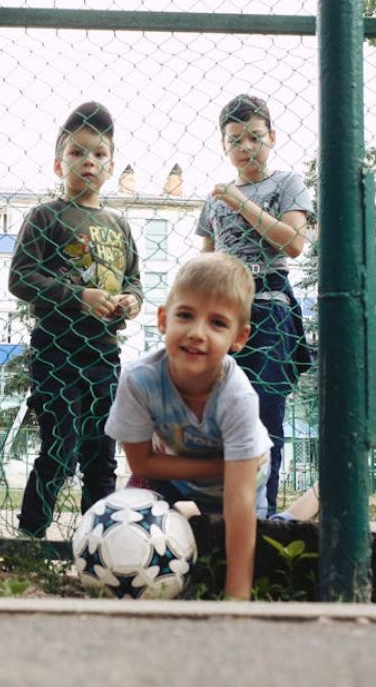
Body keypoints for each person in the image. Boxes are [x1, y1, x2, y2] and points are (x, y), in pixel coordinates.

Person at [9, 101, 144, 539]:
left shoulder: (119, 224)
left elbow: (135, 282)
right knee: (60, 447)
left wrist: (129, 301)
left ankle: (98, 539)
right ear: (58, 163)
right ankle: (31, 534)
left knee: (101, 453)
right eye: (78, 153)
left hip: (103, 353)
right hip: (56, 348)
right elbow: (20, 277)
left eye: (99, 154)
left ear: (111, 164)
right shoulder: (46, 216)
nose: (89, 162)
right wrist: (79, 296)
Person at [105, 252, 271, 600]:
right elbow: (142, 464)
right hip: (178, 478)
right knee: (134, 521)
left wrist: (237, 598)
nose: (197, 333)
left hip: (241, 480)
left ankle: (308, 503)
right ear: (163, 319)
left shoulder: (237, 397)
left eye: (217, 323)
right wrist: (215, 466)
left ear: (239, 338)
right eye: (185, 315)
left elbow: (239, 497)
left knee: (243, 547)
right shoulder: (140, 380)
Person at [196, 94, 314, 515]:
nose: (246, 148)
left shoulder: (285, 183)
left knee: (266, 413)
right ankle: (214, 510)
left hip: (267, 306)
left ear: (272, 137)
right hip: (221, 310)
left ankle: (261, 513)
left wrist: (240, 202)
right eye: (235, 140)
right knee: (212, 410)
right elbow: (206, 259)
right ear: (224, 146)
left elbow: (294, 243)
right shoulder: (214, 199)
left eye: (254, 137)